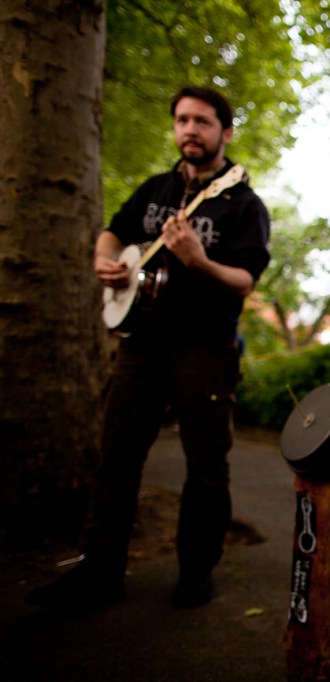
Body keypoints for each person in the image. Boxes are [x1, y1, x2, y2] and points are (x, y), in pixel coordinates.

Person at [26, 86, 271, 610]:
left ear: (226, 133)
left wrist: (199, 260)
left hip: (205, 348)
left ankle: (196, 573)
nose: (190, 129)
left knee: (206, 463)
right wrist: (106, 261)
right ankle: (100, 572)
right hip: (140, 343)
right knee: (116, 457)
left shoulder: (244, 205)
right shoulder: (155, 188)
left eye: (202, 121)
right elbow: (112, 234)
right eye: (182, 120)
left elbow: (245, 281)